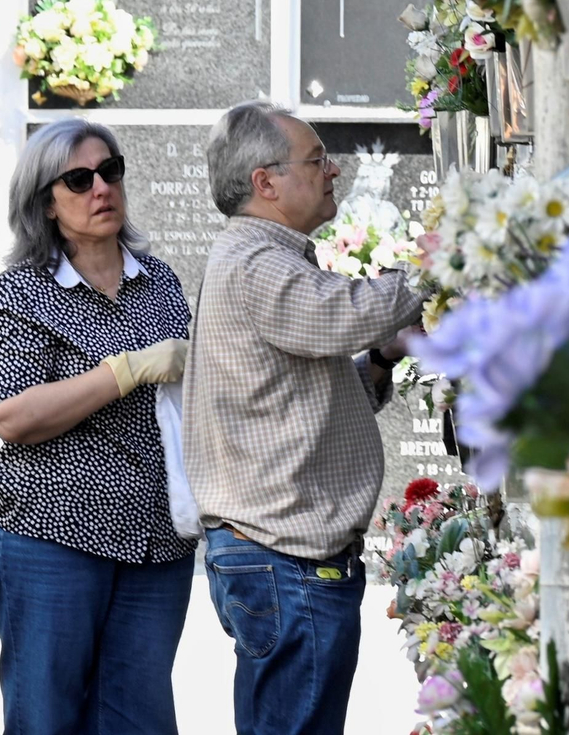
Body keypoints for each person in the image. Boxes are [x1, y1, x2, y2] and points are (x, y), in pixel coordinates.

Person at [185, 101, 425, 735]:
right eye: (317, 160)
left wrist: (380, 357)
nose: (335, 171)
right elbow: (338, 313)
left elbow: (302, 393)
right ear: (266, 182)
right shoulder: (255, 262)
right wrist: (441, 266)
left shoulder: (269, 257)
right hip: (285, 558)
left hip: (279, 556)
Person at [0, 118, 195, 735]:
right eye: (79, 179)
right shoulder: (22, 292)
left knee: (142, 722)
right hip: (52, 538)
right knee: (48, 720)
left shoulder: (160, 283)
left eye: (111, 171)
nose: (101, 188)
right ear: (47, 201)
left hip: (155, 543)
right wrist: (123, 372)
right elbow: (12, 416)